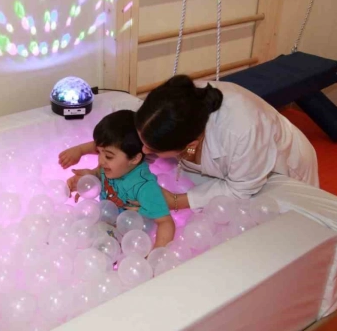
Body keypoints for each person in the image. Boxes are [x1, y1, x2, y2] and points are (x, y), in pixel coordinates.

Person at [60, 75, 319, 212]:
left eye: (153, 149)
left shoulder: (244, 131)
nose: (144, 151)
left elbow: (240, 190)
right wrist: (97, 171)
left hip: (278, 168)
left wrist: (175, 201)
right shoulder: (165, 112)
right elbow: (127, 145)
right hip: (218, 162)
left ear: (189, 143)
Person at [65, 110, 175, 248]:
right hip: (105, 219)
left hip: (128, 236)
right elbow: (100, 174)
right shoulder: (111, 167)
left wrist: (156, 254)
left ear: (134, 158)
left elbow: (166, 222)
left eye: (108, 156)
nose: (101, 160)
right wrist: (90, 176)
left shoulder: (144, 186)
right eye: (99, 152)